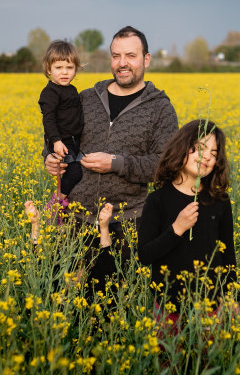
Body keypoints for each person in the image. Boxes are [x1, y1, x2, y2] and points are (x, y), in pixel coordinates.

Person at [44, 26, 178, 296]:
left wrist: (116, 163)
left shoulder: (160, 108)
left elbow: (165, 167)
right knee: (64, 301)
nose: (122, 63)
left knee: (112, 305)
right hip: (75, 220)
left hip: (126, 224)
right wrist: (49, 157)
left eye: (131, 55)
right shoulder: (86, 98)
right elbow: (57, 134)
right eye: (116, 56)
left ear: (146, 59)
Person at [137, 119, 238, 335]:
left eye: (214, 153)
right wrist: (177, 229)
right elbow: (145, 255)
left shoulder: (219, 201)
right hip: (169, 306)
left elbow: (228, 254)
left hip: (211, 306)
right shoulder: (158, 200)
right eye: (200, 149)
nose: (207, 157)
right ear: (182, 148)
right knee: (168, 364)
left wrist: (231, 297)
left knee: (208, 363)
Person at [38, 40, 84, 201]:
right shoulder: (50, 92)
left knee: (79, 170)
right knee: (75, 171)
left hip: (73, 140)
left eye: (69, 67)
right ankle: (57, 201)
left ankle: (66, 203)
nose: (64, 72)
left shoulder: (72, 90)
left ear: (76, 70)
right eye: (59, 68)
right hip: (61, 142)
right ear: (48, 69)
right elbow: (48, 120)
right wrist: (56, 142)